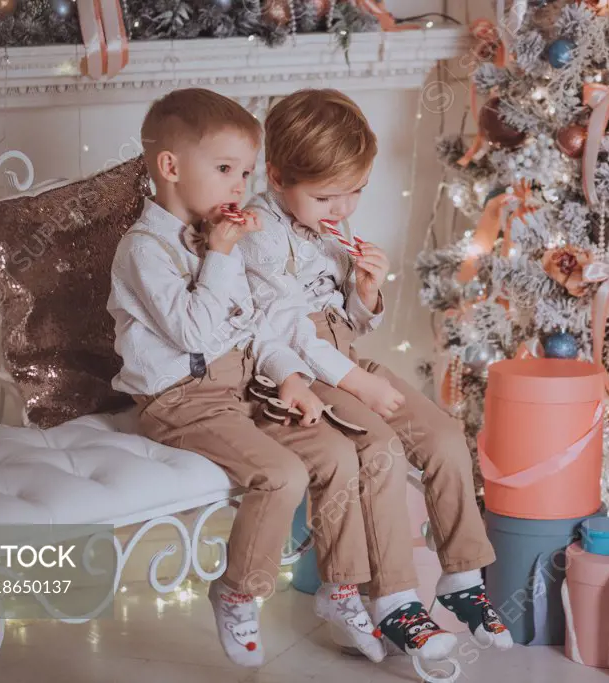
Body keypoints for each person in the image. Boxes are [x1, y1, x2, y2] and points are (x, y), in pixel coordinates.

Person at [108, 88, 386, 667]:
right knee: (281, 474)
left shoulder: (222, 236)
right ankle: (239, 590)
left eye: (246, 172)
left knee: (336, 452)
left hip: (240, 388)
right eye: (226, 170)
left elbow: (256, 327)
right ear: (171, 167)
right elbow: (194, 332)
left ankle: (341, 588)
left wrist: (289, 378)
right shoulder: (144, 249)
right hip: (180, 402)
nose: (240, 186)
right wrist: (222, 254)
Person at [240, 88, 513, 660]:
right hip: (303, 374)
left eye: (356, 192)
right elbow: (287, 332)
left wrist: (366, 294)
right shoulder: (261, 232)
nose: (342, 209)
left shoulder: (325, 228)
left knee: (442, 436)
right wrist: (356, 382)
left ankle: (462, 576)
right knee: (382, 448)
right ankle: (392, 598)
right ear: (275, 175)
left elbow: (350, 325)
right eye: (326, 197)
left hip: (344, 358)